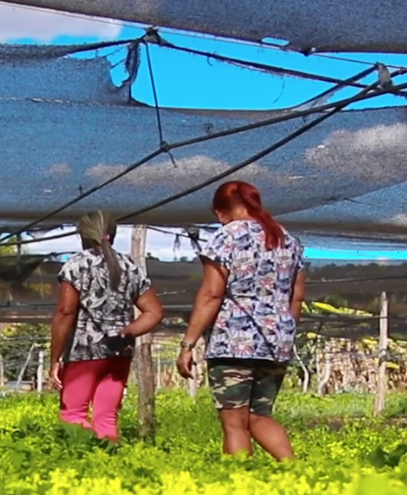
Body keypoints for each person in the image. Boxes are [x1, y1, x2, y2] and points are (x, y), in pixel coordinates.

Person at [175, 180, 306, 460]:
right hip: (276, 341)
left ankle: (240, 478)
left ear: (220, 211)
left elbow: (212, 294)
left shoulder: (225, 237)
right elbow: (296, 298)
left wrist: (188, 344)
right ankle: (295, 470)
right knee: (259, 416)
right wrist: (283, 333)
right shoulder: (286, 239)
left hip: (233, 342)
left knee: (234, 423)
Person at [49, 210, 164, 441]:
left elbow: (66, 311)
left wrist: (55, 359)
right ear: (112, 233)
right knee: (106, 417)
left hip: (84, 351)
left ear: (83, 235)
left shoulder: (77, 265)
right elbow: (154, 312)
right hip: (119, 352)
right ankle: (108, 458)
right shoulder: (130, 266)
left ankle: (81, 460)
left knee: (73, 414)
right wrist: (128, 331)